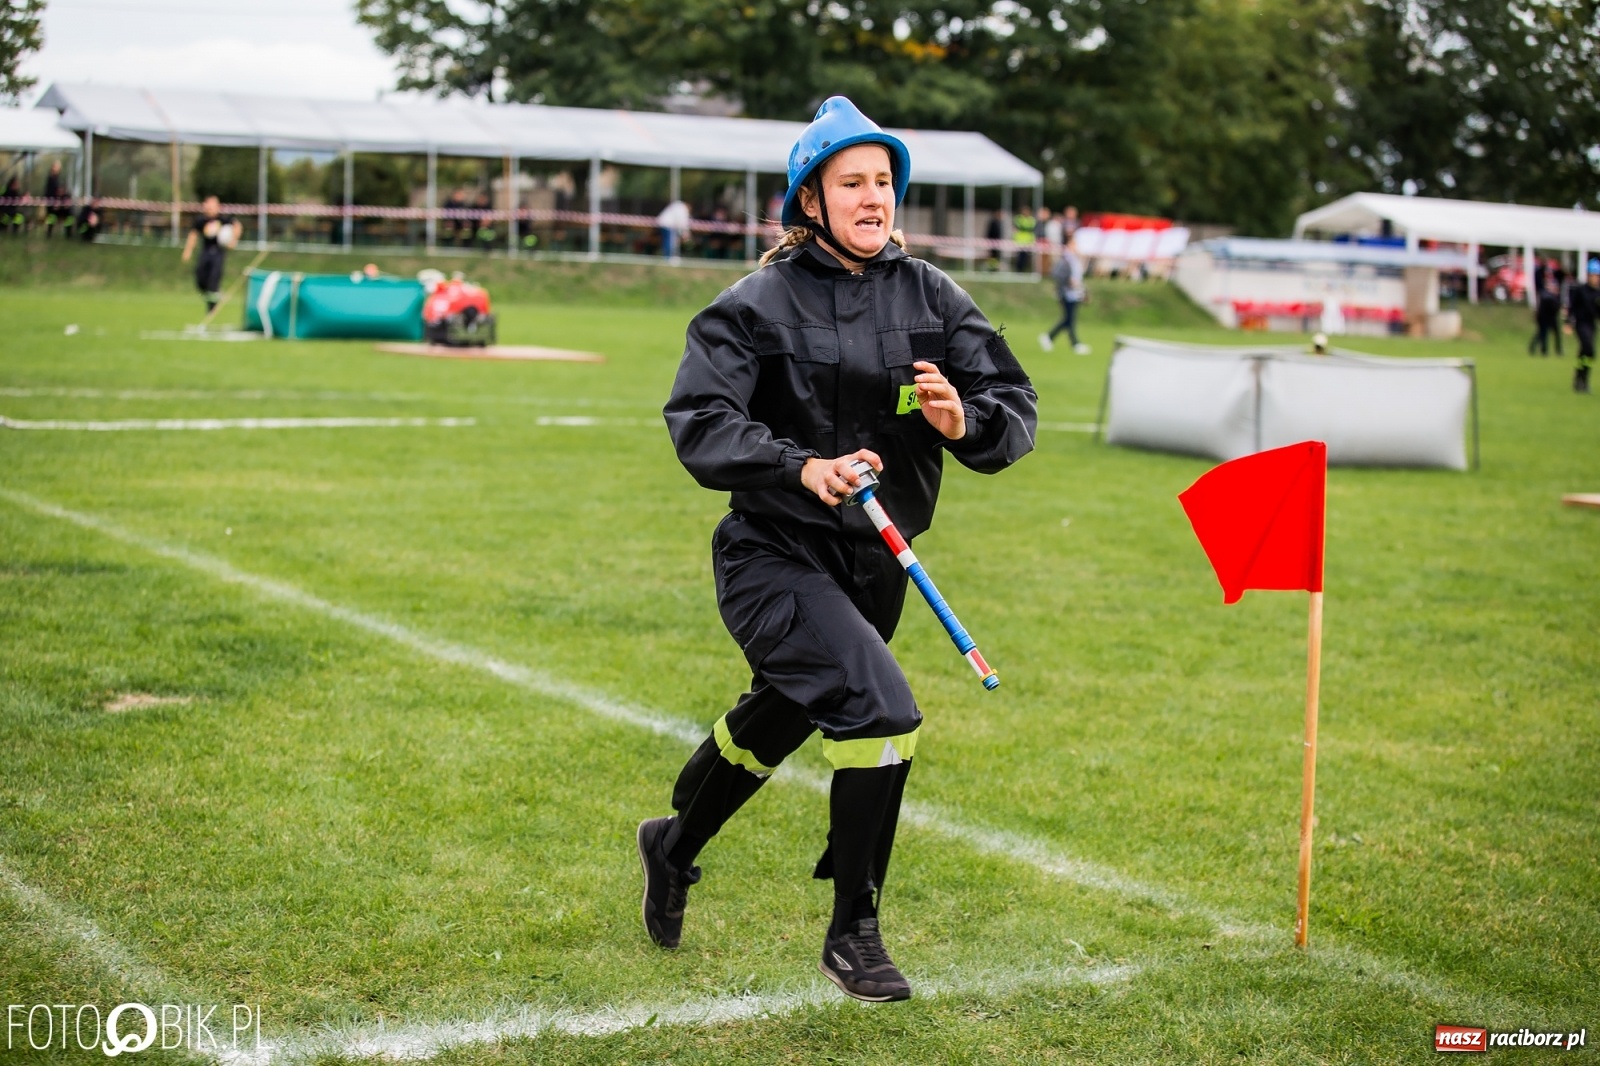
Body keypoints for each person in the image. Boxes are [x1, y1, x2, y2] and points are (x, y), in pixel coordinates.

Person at [644, 96, 1037, 1004]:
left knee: (777, 721)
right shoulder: (752, 305)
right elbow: (700, 422)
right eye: (852, 182)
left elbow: (1011, 409)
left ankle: (671, 846)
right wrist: (800, 467)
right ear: (809, 200)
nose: (875, 198)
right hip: (772, 556)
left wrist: (962, 418)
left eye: (885, 182)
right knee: (882, 713)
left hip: (877, 571)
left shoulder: (933, 295)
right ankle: (854, 930)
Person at [181, 194, 236, 315]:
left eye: (212, 205)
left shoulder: (223, 219)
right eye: (208, 204)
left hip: (218, 253)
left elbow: (237, 226)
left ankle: (212, 307)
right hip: (205, 252)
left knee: (213, 280)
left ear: (217, 206)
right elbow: (193, 235)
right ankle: (214, 297)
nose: (209, 207)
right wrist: (188, 251)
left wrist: (233, 240)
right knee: (200, 279)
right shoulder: (201, 221)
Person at [1039, 232, 1090, 354]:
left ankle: (1062, 341)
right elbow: (1061, 276)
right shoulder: (1066, 259)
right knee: (1068, 319)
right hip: (1067, 293)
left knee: (1069, 319)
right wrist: (1069, 284)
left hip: (1074, 293)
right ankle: (1055, 339)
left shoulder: (1074, 259)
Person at [1569, 260, 1599, 393]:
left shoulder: (1598, 293)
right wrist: (1568, 322)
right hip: (1581, 324)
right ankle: (1580, 378)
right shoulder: (1581, 290)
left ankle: (1582, 378)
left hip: (1592, 325)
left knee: (1587, 353)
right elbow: (1572, 307)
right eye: (1593, 275)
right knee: (1588, 349)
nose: (1595, 279)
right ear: (1588, 275)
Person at [1529, 271, 1563, 357]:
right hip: (1544, 318)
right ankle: (1543, 350)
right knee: (1543, 334)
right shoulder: (1546, 296)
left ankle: (1558, 350)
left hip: (1552, 318)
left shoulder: (1553, 296)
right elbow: (1549, 307)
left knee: (1555, 334)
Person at [43, 160, 67, 237]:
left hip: (57, 201)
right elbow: (49, 191)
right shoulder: (50, 178)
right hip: (51, 201)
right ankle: (49, 233)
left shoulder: (58, 178)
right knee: (51, 217)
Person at [1012, 203, 1036, 273]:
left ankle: (1023, 269)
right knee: (1019, 256)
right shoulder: (1019, 218)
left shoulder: (1031, 219)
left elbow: (1030, 227)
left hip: (1028, 240)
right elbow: (1022, 227)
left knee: (1025, 257)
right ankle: (1018, 269)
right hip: (1019, 240)